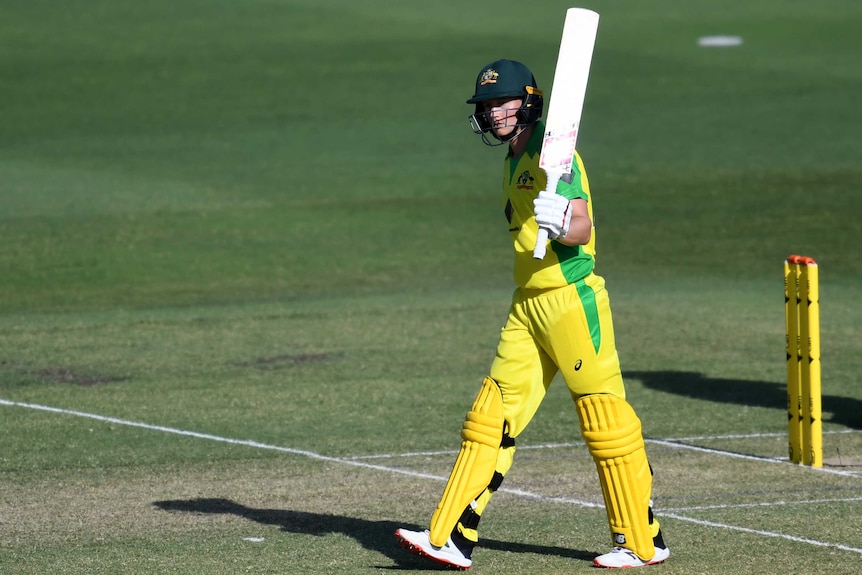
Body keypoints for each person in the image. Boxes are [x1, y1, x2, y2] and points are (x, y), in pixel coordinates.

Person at [393, 59, 670, 570]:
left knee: (604, 420)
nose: (493, 113)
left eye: (502, 102)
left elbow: (583, 228)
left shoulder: (552, 152)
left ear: (527, 102)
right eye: (486, 105)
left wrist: (561, 218)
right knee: (489, 416)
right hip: (528, 303)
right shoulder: (514, 157)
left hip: (570, 299)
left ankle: (641, 542)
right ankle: (450, 536)